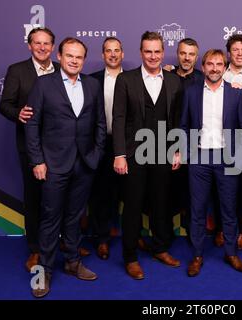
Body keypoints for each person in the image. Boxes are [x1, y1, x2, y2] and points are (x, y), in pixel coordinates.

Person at [25, 37, 106, 297]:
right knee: (50, 218)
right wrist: (37, 160)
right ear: (59, 56)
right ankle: (43, 272)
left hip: (84, 164)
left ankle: (72, 262)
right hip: (53, 164)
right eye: (69, 55)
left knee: (74, 216)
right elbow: (32, 125)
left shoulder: (93, 85)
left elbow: (100, 124)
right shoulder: (43, 84)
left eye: (79, 56)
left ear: (84, 59)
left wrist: (95, 155)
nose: (74, 60)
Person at [112, 31, 182, 280]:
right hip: (133, 154)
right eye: (148, 51)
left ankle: (160, 248)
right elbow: (118, 119)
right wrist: (119, 154)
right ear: (141, 53)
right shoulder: (126, 80)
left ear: (163, 53)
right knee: (132, 205)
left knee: (161, 203)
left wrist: (177, 149)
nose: (153, 56)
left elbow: (177, 120)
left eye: (157, 51)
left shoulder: (174, 81)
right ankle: (130, 256)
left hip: (163, 152)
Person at [180, 49, 242, 277]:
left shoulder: (235, 94)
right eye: (210, 64)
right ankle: (198, 255)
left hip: (227, 157)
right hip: (198, 158)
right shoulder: (191, 92)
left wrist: (240, 155)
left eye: (219, 64)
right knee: (197, 209)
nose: (214, 68)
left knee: (229, 209)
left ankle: (231, 253)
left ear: (224, 67)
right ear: (203, 66)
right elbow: (183, 125)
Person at [0, 27, 59, 272]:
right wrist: (18, 113)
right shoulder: (17, 70)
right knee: (34, 198)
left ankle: (59, 243)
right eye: (37, 43)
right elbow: (5, 105)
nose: (42, 47)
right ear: (29, 45)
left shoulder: (63, 67)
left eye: (47, 43)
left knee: (58, 198)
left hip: (59, 147)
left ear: (53, 47)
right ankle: (35, 249)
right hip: (30, 147)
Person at [213, 34, 242, 250]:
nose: (239, 53)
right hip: (217, 143)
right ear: (228, 53)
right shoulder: (217, 73)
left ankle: (240, 231)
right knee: (219, 189)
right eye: (235, 49)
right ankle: (221, 229)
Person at [163, 38, 204, 242]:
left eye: (191, 54)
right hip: (164, 142)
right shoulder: (165, 76)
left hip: (194, 145)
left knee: (193, 193)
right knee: (166, 191)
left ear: (196, 57)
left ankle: (193, 234)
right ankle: (166, 234)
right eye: (183, 53)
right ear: (178, 54)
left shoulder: (203, 79)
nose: (186, 58)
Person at [89, 37, 124, 260]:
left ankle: (134, 234)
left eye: (116, 50)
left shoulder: (133, 78)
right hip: (99, 144)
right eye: (108, 51)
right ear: (102, 55)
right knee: (100, 193)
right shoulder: (91, 81)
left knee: (131, 193)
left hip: (127, 145)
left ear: (122, 54)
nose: (112, 54)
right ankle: (102, 238)